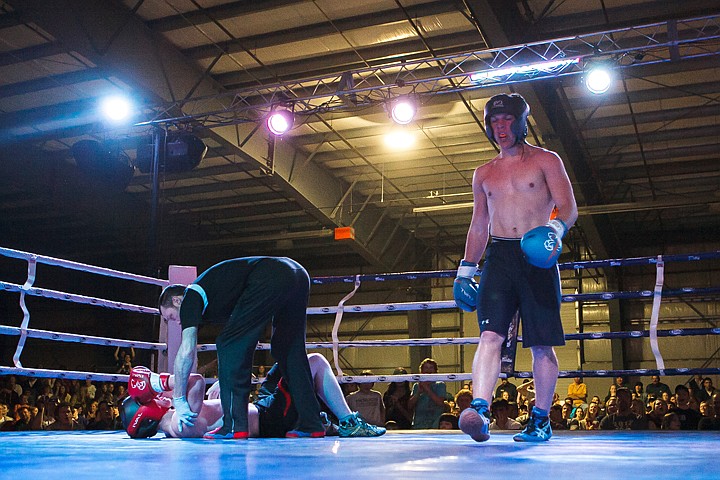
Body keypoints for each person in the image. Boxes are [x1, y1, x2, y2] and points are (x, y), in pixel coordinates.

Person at [454, 92, 578, 443]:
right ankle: (479, 408)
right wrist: (466, 269)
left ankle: (540, 419)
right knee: (490, 334)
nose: (501, 127)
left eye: (507, 120)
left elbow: (568, 207)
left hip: (537, 256)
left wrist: (555, 229)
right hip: (500, 258)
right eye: (494, 122)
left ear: (520, 123)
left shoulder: (546, 160)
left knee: (541, 343)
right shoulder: (483, 173)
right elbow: (479, 225)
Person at [158, 257, 324, 440]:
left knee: (227, 343)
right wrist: (224, 379)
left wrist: (179, 399)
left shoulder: (190, 297)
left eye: (172, 317)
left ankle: (233, 426)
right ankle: (311, 424)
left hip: (270, 276)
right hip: (298, 274)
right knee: (287, 348)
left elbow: (187, 349)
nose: (178, 322)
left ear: (176, 300)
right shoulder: (213, 295)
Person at [120, 354, 385, 439]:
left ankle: (320, 420)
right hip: (270, 417)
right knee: (314, 362)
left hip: (262, 406)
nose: (160, 395)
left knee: (289, 355)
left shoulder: (176, 418)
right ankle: (348, 422)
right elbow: (196, 381)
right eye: (151, 397)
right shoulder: (178, 424)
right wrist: (158, 381)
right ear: (147, 411)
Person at [408, 358, 449, 429]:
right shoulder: (417, 386)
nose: (428, 370)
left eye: (431, 368)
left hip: (435, 423)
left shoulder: (440, 385)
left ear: (435, 371)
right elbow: (409, 406)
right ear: (422, 371)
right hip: (419, 424)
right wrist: (418, 393)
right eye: (426, 368)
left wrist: (427, 388)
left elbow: (440, 403)